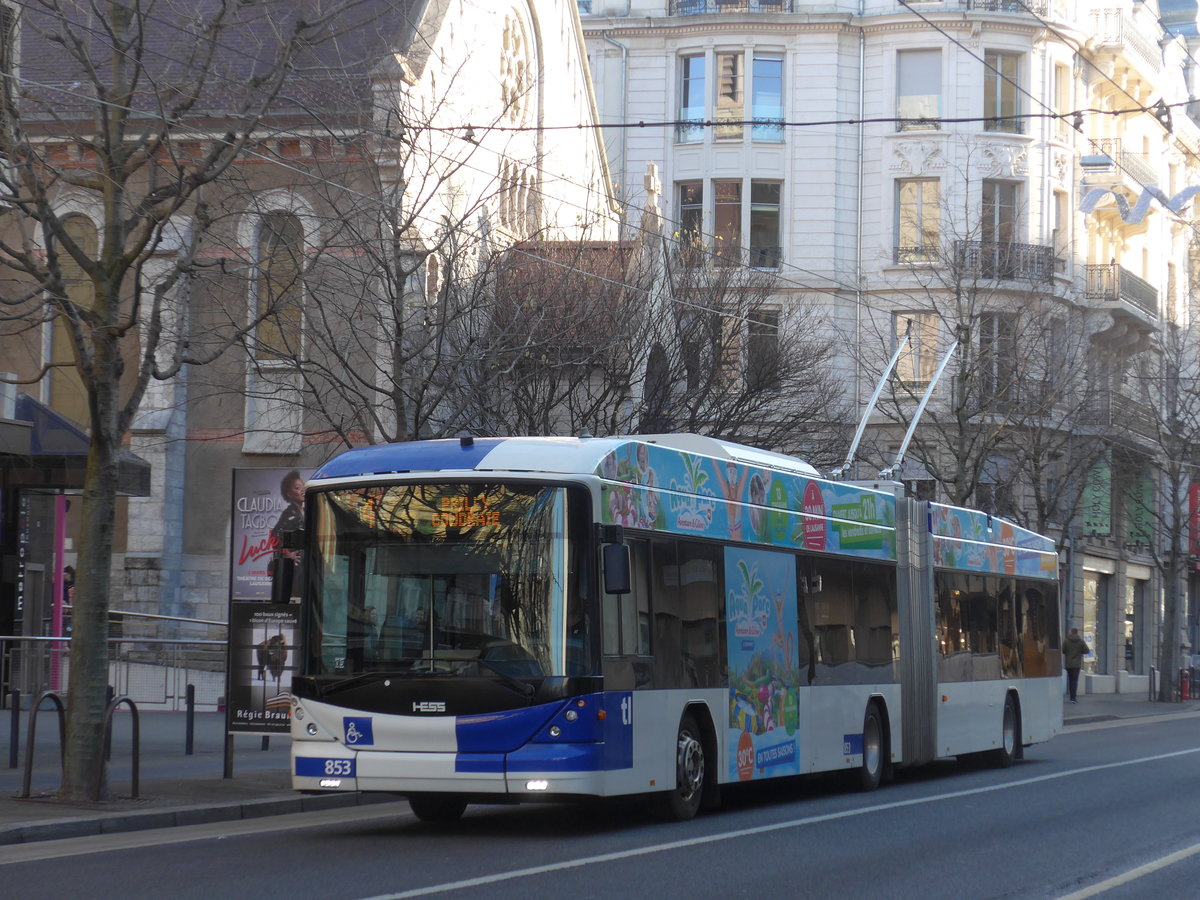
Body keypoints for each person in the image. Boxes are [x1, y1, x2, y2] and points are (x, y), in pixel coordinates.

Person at [1063, 627, 1090, 703]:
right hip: (1077, 664)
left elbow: (1063, 650)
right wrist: (1079, 652)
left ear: (1071, 632)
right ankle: (1073, 698)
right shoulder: (1081, 641)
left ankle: (1071, 696)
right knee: (1075, 681)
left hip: (1068, 664)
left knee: (1070, 680)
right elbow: (1087, 650)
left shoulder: (1066, 641)